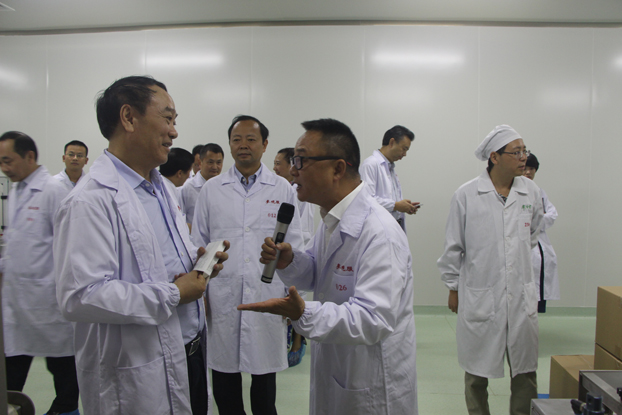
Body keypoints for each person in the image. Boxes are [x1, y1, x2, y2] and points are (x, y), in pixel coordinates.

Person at [54, 75, 228, 415]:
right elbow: (80, 296)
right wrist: (174, 293)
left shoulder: (163, 189)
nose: (174, 132)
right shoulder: (89, 201)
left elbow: (155, 261)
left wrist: (198, 264)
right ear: (129, 118)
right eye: (167, 118)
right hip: (141, 369)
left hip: (191, 352)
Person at [238, 118, 418, 415]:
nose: (293, 170)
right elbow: (318, 272)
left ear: (337, 168)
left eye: (301, 160)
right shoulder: (332, 219)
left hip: (371, 384)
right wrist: (291, 260)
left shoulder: (380, 233)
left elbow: (374, 318)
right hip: (339, 367)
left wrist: (302, 312)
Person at [191, 115, 304, 415]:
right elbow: (198, 243)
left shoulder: (282, 188)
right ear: (229, 145)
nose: (243, 145)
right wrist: (200, 290)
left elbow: (295, 244)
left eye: (251, 139)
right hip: (222, 294)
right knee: (224, 381)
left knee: (264, 385)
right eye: (237, 140)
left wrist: (290, 290)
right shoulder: (212, 189)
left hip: (267, 291)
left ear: (264, 145)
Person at [437, 125, 544, 415]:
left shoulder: (531, 191)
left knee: (525, 370)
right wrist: (453, 287)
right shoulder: (467, 195)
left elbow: (533, 234)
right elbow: (453, 246)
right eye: (516, 152)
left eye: (524, 151)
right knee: (476, 371)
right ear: (495, 157)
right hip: (481, 293)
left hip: (520, 294)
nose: (523, 157)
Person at [0, 131, 79, 415]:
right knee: (12, 370)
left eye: (8, 160)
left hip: (48, 304)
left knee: (64, 371)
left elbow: (72, 248)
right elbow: (19, 243)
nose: (4, 168)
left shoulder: (53, 191)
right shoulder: (17, 190)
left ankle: (66, 411)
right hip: (19, 304)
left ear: (29, 156)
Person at [273, 147, 316, 366]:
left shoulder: (297, 190)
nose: (274, 168)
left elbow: (301, 227)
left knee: (297, 298)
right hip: (286, 250)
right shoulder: (281, 189)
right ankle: (291, 338)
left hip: (299, 248)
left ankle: (298, 341)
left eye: (278, 163)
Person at [359, 125, 420, 232]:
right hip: (379, 230)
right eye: (404, 149)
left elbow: (390, 200)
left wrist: (404, 207)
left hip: (394, 227)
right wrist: (396, 206)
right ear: (392, 142)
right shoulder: (370, 164)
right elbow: (366, 201)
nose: (405, 154)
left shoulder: (390, 167)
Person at [523, 153, 559, 312]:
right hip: (522, 244)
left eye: (532, 169)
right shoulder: (512, 192)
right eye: (525, 168)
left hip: (540, 246)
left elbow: (552, 215)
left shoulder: (540, 193)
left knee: (537, 296)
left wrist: (534, 219)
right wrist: (536, 218)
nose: (528, 172)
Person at [181, 143, 224, 228]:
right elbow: (179, 219)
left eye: (219, 163)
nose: (215, 167)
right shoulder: (188, 188)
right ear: (200, 162)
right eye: (210, 162)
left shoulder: (225, 187)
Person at [160, 147, 195, 215]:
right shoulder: (166, 193)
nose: (189, 176)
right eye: (189, 171)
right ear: (180, 173)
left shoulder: (165, 188)